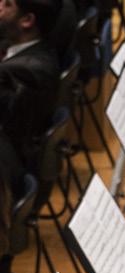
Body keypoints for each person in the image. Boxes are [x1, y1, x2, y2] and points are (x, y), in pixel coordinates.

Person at [0, 0, 61, 172]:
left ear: (27, 20)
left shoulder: (23, 73)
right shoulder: (37, 48)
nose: (0, 7)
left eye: (8, 4)